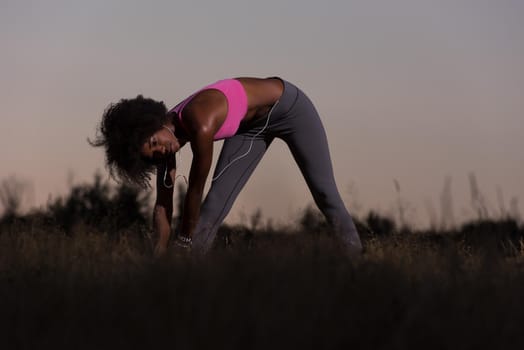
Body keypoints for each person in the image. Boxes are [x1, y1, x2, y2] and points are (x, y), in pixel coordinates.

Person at [91, 77, 362, 257]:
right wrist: (159, 255)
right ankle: (182, 283)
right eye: (152, 155)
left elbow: (195, 188)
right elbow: (163, 206)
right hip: (250, 130)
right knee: (212, 209)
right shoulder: (168, 140)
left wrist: (183, 243)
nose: (161, 151)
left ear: (153, 123)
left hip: (289, 107)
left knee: (325, 192)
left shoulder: (200, 120)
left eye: (154, 143)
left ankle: (357, 262)